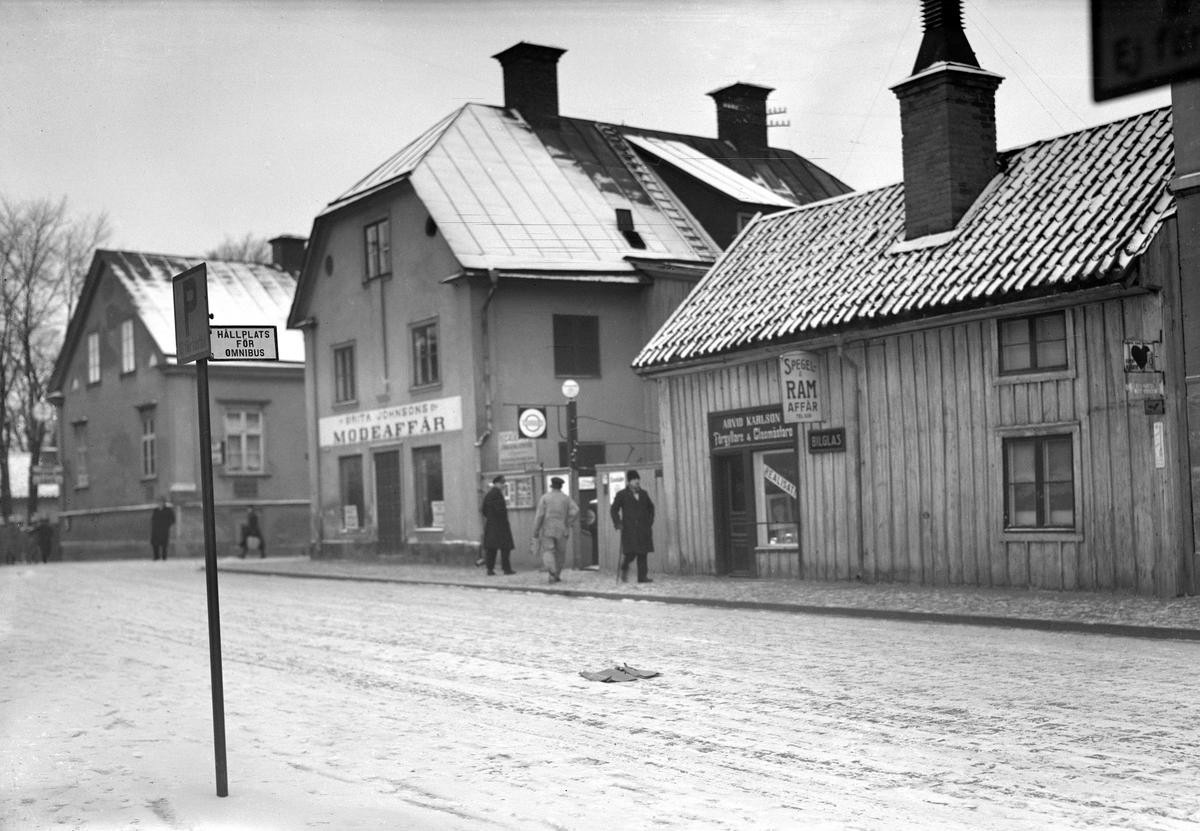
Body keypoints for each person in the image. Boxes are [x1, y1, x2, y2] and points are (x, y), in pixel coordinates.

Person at [610, 469, 655, 583]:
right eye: (634, 479)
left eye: (638, 479)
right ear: (629, 481)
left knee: (643, 552)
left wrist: (649, 520)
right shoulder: (622, 494)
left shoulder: (644, 494)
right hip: (629, 529)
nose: (637, 481)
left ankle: (642, 577)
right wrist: (618, 523)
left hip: (643, 528)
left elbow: (651, 507)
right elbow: (614, 509)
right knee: (631, 552)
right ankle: (625, 566)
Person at [532, 476, 578, 584]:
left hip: (548, 528)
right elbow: (576, 510)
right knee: (560, 554)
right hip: (562, 529)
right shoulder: (566, 498)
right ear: (561, 486)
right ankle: (556, 575)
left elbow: (539, 515)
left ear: (551, 486)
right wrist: (568, 522)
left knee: (548, 551)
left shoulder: (545, 498)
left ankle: (551, 570)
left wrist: (536, 530)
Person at [480, 474, 515, 576]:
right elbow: (500, 511)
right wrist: (501, 520)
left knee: (491, 548)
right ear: (496, 483)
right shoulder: (498, 495)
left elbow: (484, 511)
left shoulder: (488, 495)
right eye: (502, 483)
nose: (504, 485)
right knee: (505, 547)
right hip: (501, 525)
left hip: (491, 525)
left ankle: (490, 569)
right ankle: (506, 568)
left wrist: (491, 518)